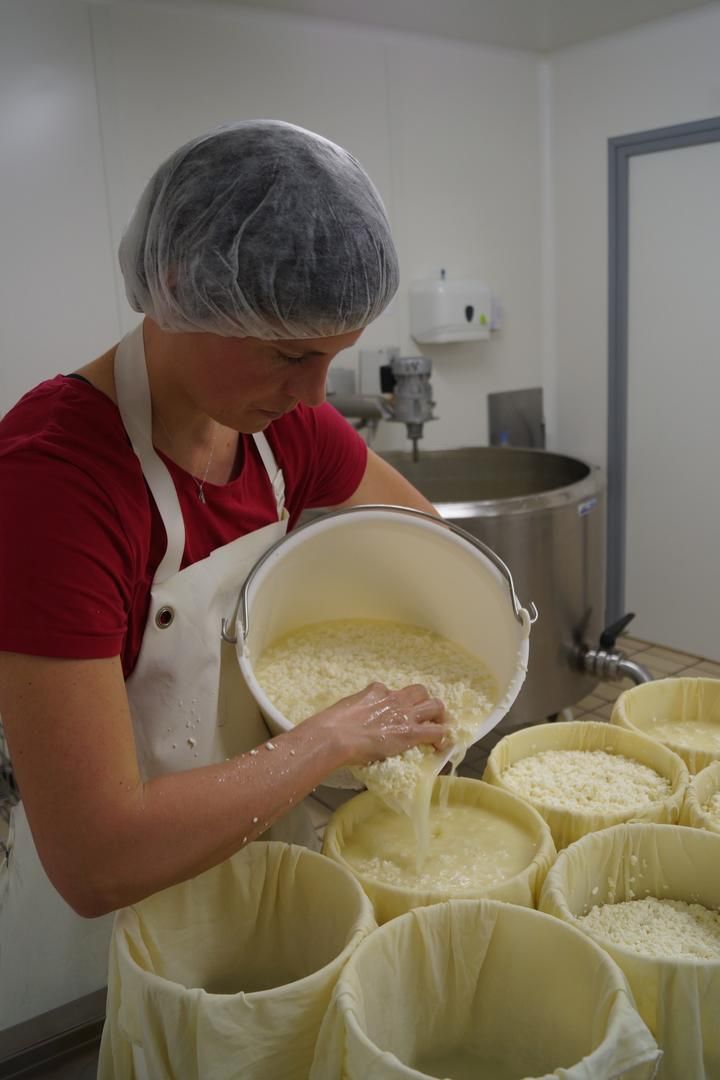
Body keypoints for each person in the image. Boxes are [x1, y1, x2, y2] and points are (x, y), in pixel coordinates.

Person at [0, 118, 447, 950]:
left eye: (335, 356)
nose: (315, 393)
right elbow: (95, 858)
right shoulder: (54, 483)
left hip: (270, 846)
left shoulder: (283, 432)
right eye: (288, 354)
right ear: (179, 290)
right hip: (151, 897)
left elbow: (431, 558)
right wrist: (329, 736)